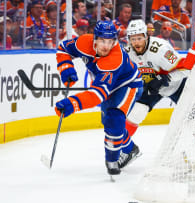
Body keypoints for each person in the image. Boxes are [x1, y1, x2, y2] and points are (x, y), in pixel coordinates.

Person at [54, 21, 143, 176]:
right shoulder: (83, 42)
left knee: (114, 119)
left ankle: (112, 161)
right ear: (95, 38)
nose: (105, 46)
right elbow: (63, 49)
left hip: (128, 85)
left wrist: (72, 104)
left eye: (110, 42)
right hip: (107, 86)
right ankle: (130, 150)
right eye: (102, 41)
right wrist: (66, 68)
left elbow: (97, 95)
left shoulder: (114, 59)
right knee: (108, 123)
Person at [123, 19, 195, 137]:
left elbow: (186, 68)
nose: (136, 43)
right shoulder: (127, 53)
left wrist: (165, 78)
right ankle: (122, 147)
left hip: (177, 85)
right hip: (152, 88)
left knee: (194, 119)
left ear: (146, 36)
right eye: (133, 39)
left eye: (139, 38)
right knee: (136, 113)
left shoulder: (160, 49)